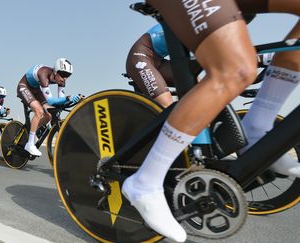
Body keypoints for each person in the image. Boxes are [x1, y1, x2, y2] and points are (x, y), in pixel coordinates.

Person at [121, 1, 300, 242]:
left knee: (217, 83)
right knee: (228, 72)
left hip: (168, 59)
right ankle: (146, 181)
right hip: (144, 58)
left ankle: (256, 127)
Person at [126, 22, 274, 108]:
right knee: (166, 106)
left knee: (200, 95)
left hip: (160, 62)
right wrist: (261, 59)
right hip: (141, 58)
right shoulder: (198, 23)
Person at [17, 58, 81, 156]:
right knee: (39, 111)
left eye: (68, 75)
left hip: (36, 89)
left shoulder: (61, 80)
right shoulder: (44, 74)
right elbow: (50, 100)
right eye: (63, 74)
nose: (65, 78)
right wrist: (68, 98)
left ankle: (32, 133)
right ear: (55, 71)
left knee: (49, 116)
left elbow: (61, 99)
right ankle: (30, 144)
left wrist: (73, 100)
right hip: (24, 86)